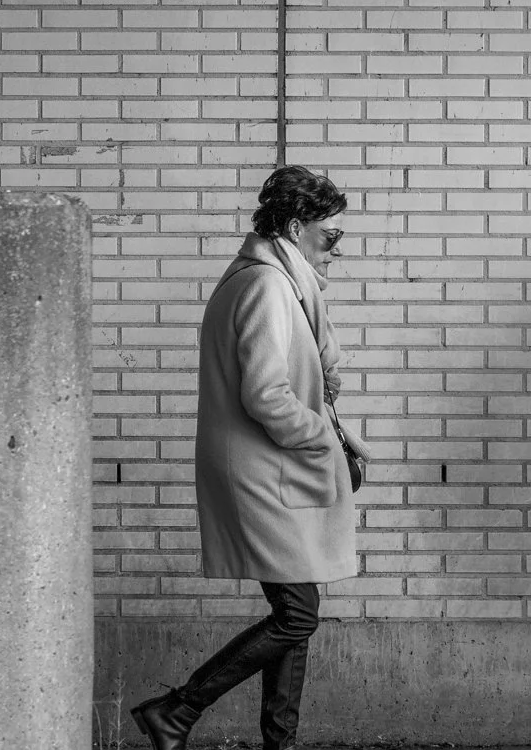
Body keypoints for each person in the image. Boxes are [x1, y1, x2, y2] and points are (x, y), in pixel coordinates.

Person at [132, 165, 371, 750]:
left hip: (271, 469)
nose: (337, 249)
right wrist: (322, 440)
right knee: (297, 614)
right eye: (330, 235)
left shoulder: (273, 282)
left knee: (299, 611)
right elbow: (266, 394)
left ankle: (277, 744)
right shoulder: (265, 286)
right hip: (267, 471)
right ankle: (176, 710)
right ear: (296, 227)